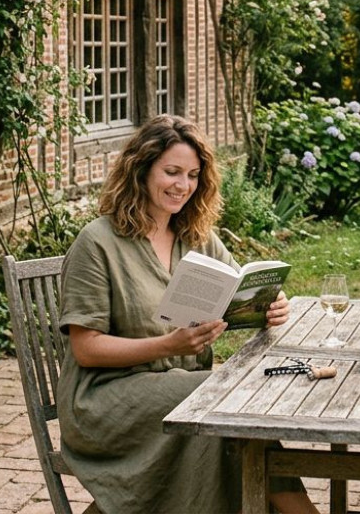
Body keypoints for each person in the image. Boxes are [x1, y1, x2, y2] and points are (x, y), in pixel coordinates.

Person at [56, 114, 318, 514]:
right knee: (214, 401)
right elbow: (86, 349)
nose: (183, 186)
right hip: (106, 401)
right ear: (140, 170)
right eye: (172, 172)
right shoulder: (98, 242)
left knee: (221, 410)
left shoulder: (194, 235)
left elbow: (238, 288)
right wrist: (168, 344)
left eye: (193, 175)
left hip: (176, 384)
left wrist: (268, 304)